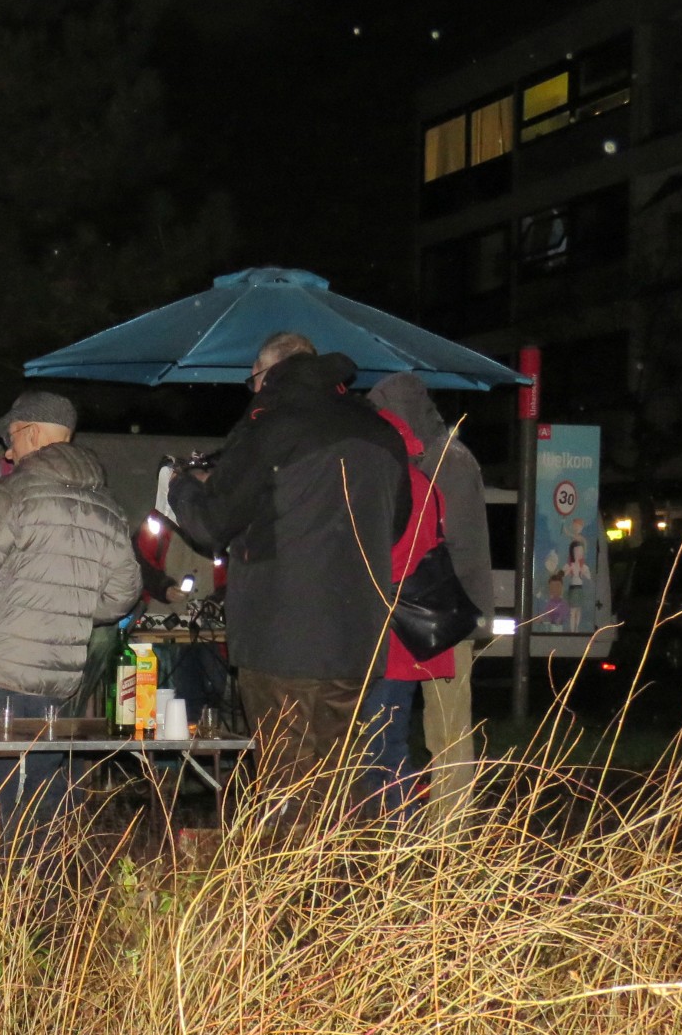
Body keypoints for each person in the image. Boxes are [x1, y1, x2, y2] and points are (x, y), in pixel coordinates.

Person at [168, 332, 410, 828]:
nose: (252, 389)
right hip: (357, 635)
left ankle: (287, 900)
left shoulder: (272, 426)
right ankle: (343, 893)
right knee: (338, 778)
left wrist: (180, 490)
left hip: (282, 635)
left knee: (286, 784)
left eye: (251, 378)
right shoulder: (380, 432)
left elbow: (214, 523)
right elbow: (398, 522)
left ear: (267, 372)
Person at [0, 390, 142, 845]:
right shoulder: (106, 506)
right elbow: (122, 596)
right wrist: (72, 606)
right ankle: (40, 904)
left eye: (13, 438)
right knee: (43, 797)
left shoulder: (14, 493)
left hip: (0, 674)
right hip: (61, 680)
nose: (7, 450)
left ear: (34, 432)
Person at [366, 372, 492, 825]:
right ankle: (438, 822)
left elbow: (441, 541)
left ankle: (450, 830)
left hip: (446, 615)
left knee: (447, 730)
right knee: (429, 726)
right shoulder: (440, 455)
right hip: (438, 610)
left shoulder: (446, 462)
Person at [354, 404, 454, 820]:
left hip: (388, 632)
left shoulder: (385, 485)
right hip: (413, 632)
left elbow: (378, 559)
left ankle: (398, 836)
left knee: (381, 745)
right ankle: (394, 835)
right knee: (389, 740)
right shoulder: (426, 485)